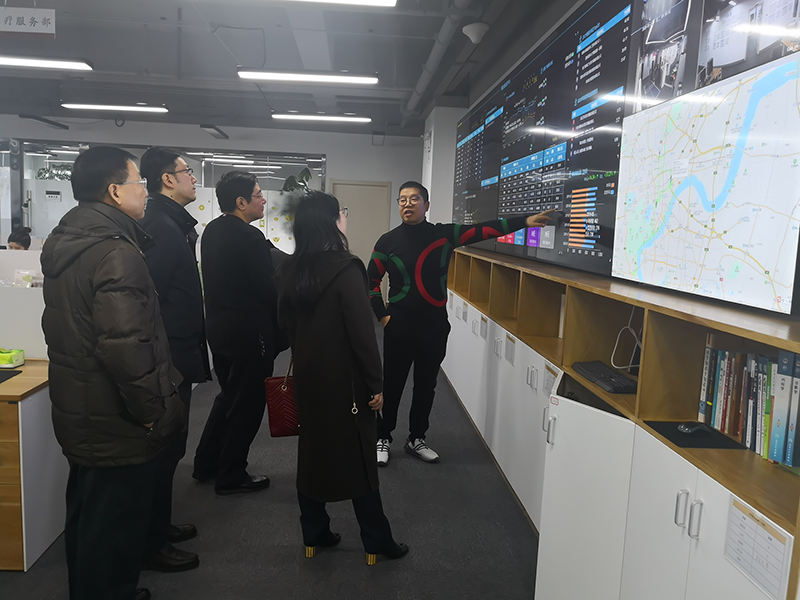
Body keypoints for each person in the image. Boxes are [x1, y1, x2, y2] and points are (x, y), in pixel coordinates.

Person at [40, 146, 186, 600]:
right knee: (115, 528)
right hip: (114, 416)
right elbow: (126, 347)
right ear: (115, 191)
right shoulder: (116, 252)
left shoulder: (70, 240)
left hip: (83, 407)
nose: (144, 191)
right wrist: (150, 413)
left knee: (90, 519)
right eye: (138, 182)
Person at [367, 181, 553, 465]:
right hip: (398, 326)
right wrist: (383, 317)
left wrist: (525, 221)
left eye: (414, 199)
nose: (407, 204)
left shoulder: (445, 235)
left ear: (426, 205)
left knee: (426, 386)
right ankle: (383, 437)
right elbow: (371, 281)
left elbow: (485, 230)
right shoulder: (387, 241)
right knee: (392, 385)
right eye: (402, 199)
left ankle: (416, 439)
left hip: (434, 327)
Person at [277, 191, 408, 565]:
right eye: (342, 213)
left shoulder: (288, 268)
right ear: (331, 222)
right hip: (346, 381)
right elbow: (362, 334)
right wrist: (376, 383)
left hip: (308, 377)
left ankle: (314, 532)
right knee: (360, 457)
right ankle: (376, 539)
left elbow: (283, 323)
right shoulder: (347, 268)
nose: (345, 218)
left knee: (312, 452)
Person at [138, 147, 211, 572]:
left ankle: (159, 528)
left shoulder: (173, 224)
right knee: (162, 452)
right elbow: (150, 301)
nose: (193, 178)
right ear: (168, 179)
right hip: (167, 361)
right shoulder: (161, 228)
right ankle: (151, 543)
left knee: (171, 449)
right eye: (187, 172)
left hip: (177, 356)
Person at [193, 171, 280, 495]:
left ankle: (207, 462)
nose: (263, 200)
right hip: (249, 333)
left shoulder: (212, 230)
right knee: (248, 404)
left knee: (228, 396)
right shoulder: (249, 237)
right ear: (241, 202)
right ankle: (231, 475)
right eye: (258, 195)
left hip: (219, 329)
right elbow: (268, 290)